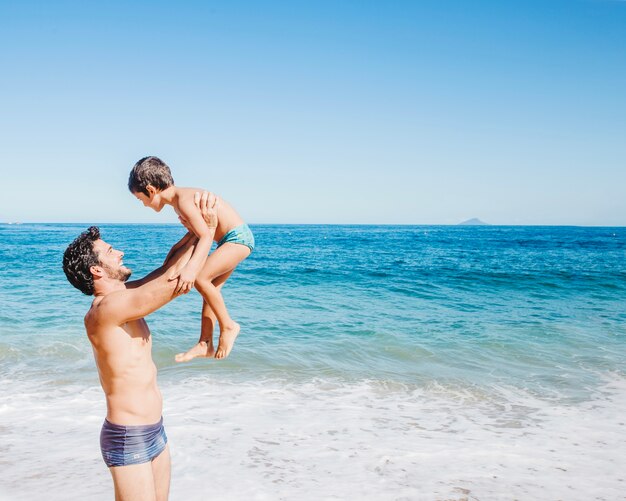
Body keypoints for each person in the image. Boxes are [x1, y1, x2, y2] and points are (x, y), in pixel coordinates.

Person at [62, 193, 217, 501]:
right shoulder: (106, 310)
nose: (119, 252)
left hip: (155, 431)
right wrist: (208, 234)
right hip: (127, 437)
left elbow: (166, 268)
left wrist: (193, 229)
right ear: (96, 270)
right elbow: (174, 284)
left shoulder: (124, 295)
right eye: (109, 251)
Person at [128, 156, 254, 361]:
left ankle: (229, 325)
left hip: (237, 239)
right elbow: (196, 233)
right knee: (210, 288)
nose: (143, 205)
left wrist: (191, 270)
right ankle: (205, 343)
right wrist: (174, 252)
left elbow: (205, 235)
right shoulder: (179, 201)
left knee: (201, 279)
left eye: (140, 199)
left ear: (151, 190)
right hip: (230, 239)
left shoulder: (184, 202)